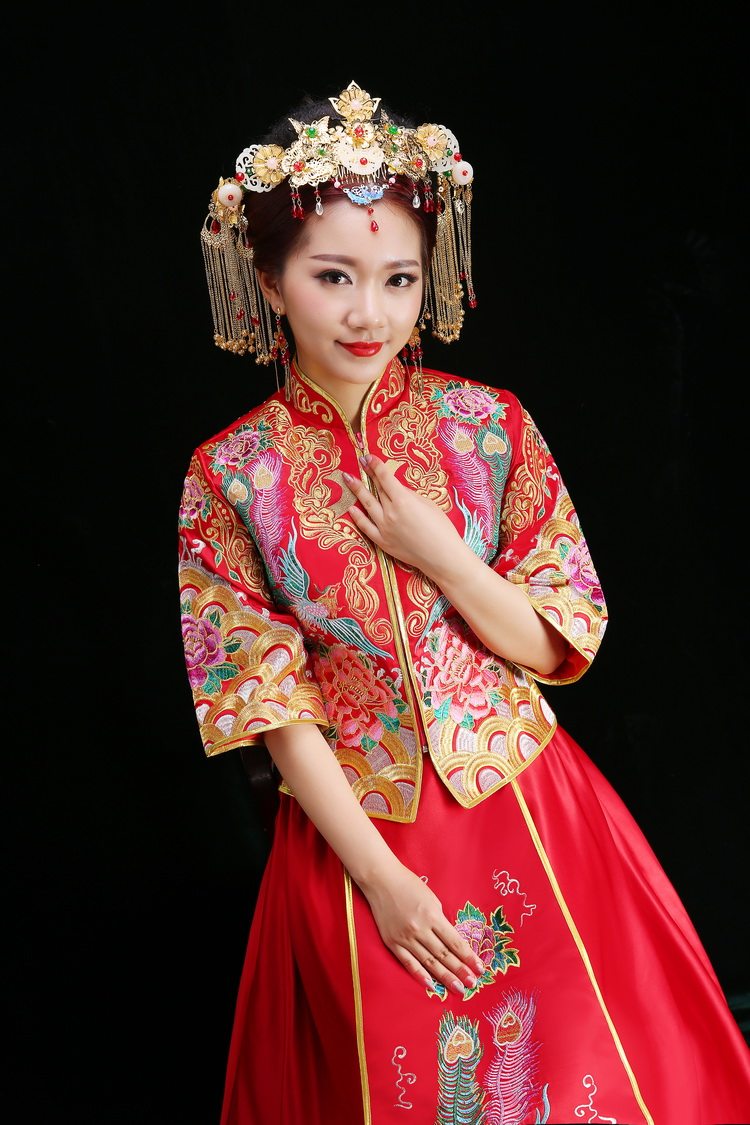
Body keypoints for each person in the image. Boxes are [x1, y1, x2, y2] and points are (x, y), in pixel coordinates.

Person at [178, 80, 750, 1125]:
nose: (370, 313)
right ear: (268, 279)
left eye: (399, 278)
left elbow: (553, 641)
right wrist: (383, 885)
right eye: (333, 276)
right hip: (358, 839)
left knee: (590, 1083)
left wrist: (444, 557)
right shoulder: (232, 474)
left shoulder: (489, 428)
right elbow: (266, 703)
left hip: (534, 806)